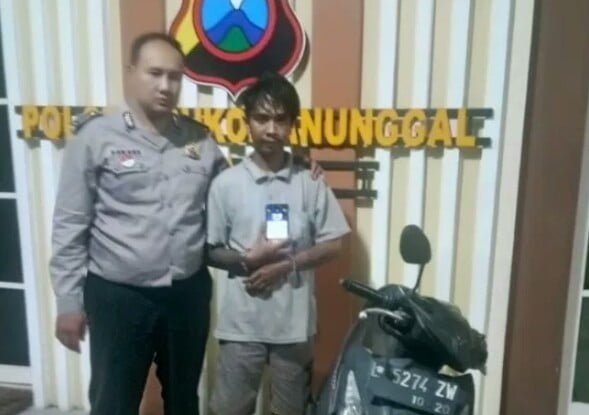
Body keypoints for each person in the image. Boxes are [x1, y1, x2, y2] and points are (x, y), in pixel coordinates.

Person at [49, 32, 228, 414]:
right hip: (119, 297)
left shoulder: (200, 141)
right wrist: (68, 302)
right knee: (114, 401)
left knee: (184, 400)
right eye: (155, 73)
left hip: (186, 294)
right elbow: (70, 224)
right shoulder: (95, 138)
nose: (166, 86)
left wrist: (290, 167)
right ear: (131, 73)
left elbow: (236, 194)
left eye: (175, 77)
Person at [206, 72, 351, 415]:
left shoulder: (309, 182)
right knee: (229, 410)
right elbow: (210, 251)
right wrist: (247, 260)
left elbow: (335, 243)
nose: (271, 129)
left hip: (294, 328)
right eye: (261, 118)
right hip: (241, 327)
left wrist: (288, 265)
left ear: (292, 125)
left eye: (280, 119)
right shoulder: (225, 184)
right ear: (247, 122)